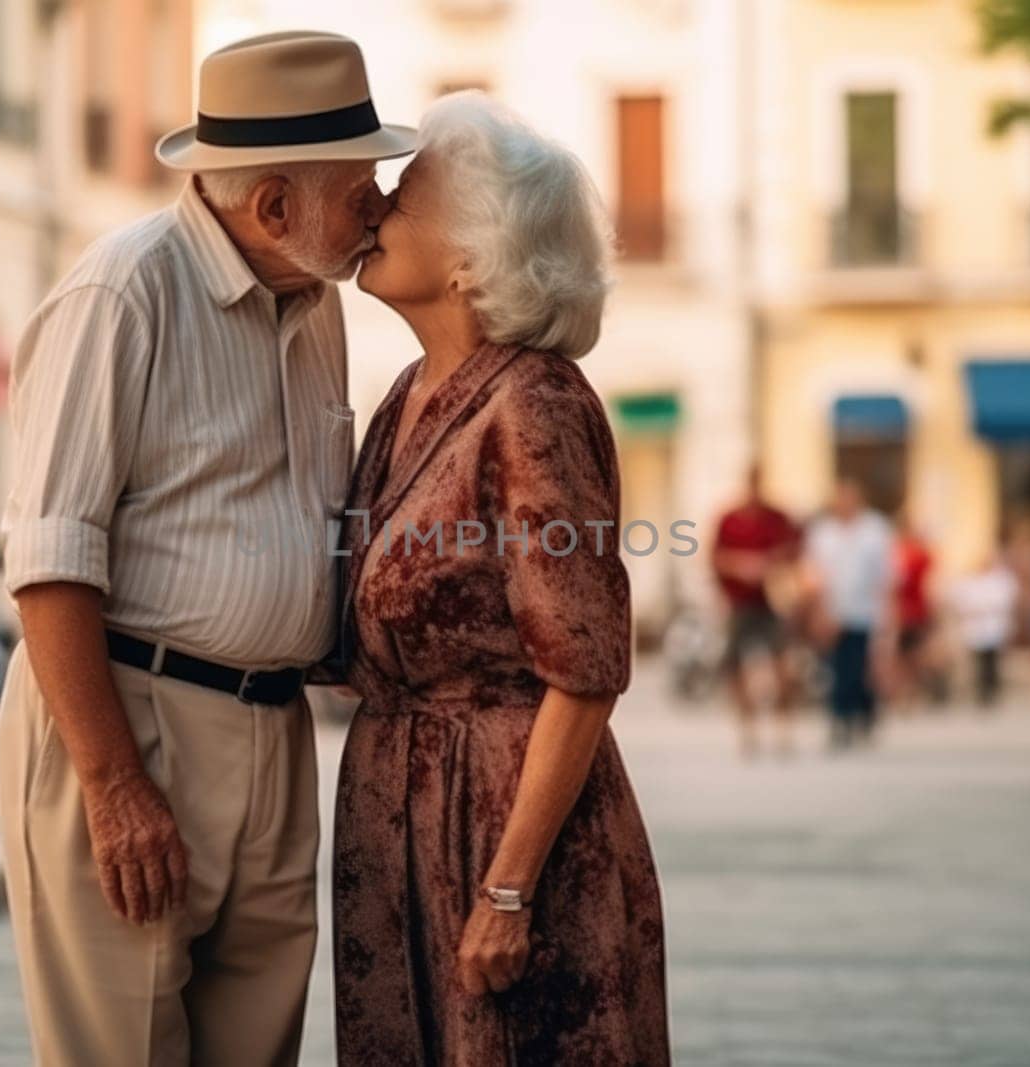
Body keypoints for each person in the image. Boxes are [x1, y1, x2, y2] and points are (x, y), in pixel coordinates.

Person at [0, 32, 411, 1067]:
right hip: (130, 722)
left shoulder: (316, 306)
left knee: (255, 1047)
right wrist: (112, 782)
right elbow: (50, 556)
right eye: (361, 185)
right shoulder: (123, 292)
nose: (382, 208)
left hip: (272, 732)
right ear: (273, 204)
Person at [332, 92, 669, 1064]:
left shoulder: (536, 401)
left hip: (504, 819)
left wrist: (508, 886)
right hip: (395, 814)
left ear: (471, 252)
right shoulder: (403, 397)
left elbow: (586, 666)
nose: (375, 210)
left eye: (404, 196)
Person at [713, 463, 801, 756]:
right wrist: (742, 565)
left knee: (783, 667)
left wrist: (772, 566)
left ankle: (783, 728)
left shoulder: (779, 517)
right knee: (736, 668)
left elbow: (795, 554)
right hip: (739, 603)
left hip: (772, 602)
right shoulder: (729, 519)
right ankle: (747, 730)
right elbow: (716, 558)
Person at [804, 479, 895, 748]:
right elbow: (814, 573)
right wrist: (818, 610)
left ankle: (863, 712)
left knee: (860, 666)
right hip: (833, 611)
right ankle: (840, 718)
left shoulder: (874, 529)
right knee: (836, 668)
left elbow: (886, 573)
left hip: (866, 611)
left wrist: (889, 612)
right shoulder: (823, 532)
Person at [948, 550, 1021, 708]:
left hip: (993, 626)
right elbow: (959, 600)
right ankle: (982, 692)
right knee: (979, 662)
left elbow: (1005, 601)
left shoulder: (1000, 579)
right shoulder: (970, 580)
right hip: (976, 627)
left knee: (992, 661)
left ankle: (992, 691)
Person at [891, 515, 937, 709]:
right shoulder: (896, 554)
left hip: (916, 610)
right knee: (902, 654)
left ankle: (913, 692)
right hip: (902, 610)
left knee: (914, 653)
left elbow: (930, 581)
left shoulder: (917, 555)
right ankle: (904, 692)